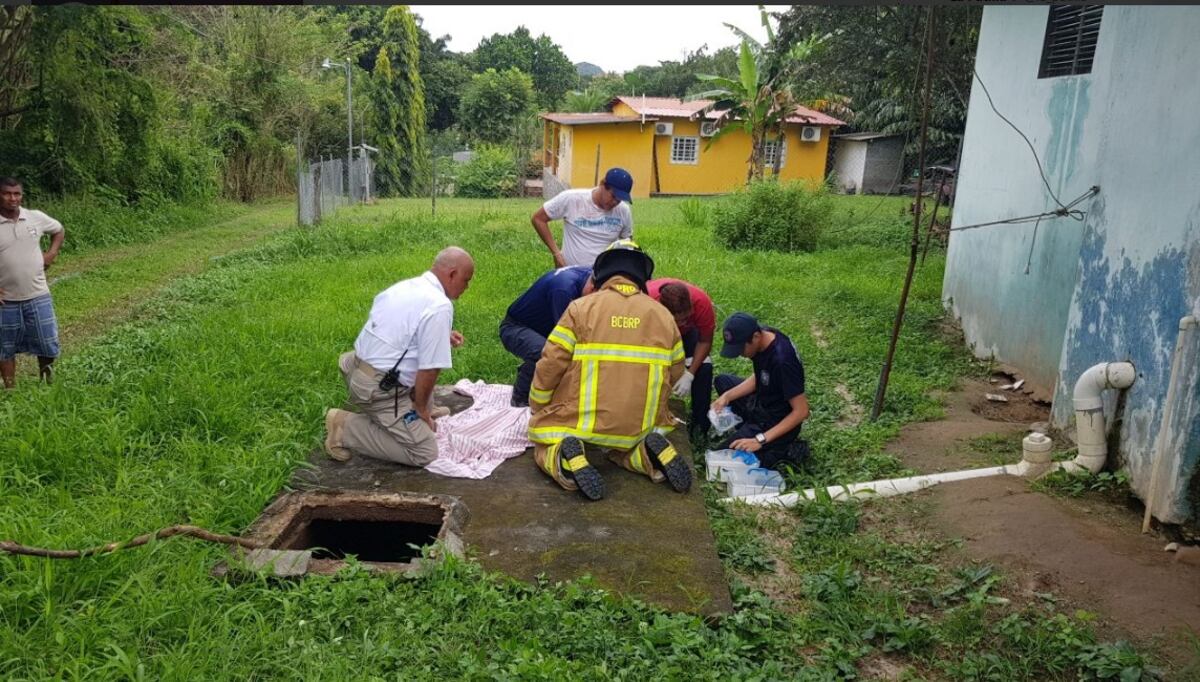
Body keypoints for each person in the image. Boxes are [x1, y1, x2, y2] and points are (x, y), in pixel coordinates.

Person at [527, 240, 691, 501]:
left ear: (602, 272)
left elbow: (550, 364)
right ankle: (648, 455)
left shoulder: (580, 309)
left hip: (582, 422)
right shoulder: (663, 316)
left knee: (543, 441)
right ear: (642, 276)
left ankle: (565, 460)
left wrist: (539, 404)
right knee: (623, 449)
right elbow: (676, 372)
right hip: (640, 424)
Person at [324, 247, 474, 467]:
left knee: (421, 385)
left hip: (355, 366)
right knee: (424, 451)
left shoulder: (406, 286)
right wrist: (421, 410)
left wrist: (442, 335)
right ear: (452, 274)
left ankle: (413, 415)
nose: (466, 287)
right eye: (466, 280)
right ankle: (344, 428)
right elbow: (429, 369)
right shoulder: (440, 305)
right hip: (378, 390)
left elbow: (396, 328)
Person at [711, 312, 811, 470]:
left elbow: (802, 411)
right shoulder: (765, 337)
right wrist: (727, 397)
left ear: (756, 337)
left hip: (775, 419)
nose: (741, 355)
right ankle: (747, 426)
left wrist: (759, 440)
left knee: (721, 456)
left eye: (741, 349)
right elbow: (760, 376)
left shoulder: (783, 361)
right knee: (723, 382)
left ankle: (781, 448)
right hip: (761, 400)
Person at [0, 177, 65, 389]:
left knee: (46, 343)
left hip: (38, 295)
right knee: (4, 347)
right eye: (7, 193)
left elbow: (58, 230)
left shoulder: (35, 217)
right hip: (5, 300)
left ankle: (47, 384)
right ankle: (10, 390)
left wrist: (51, 254)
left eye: (17, 193)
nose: (13, 198)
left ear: (22, 195)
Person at [500, 265, 595, 407]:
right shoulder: (564, 290)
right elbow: (567, 340)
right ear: (593, 288)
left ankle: (532, 373)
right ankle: (520, 399)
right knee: (546, 352)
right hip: (514, 327)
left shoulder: (590, 275)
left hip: (541, 329)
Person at [647, 278, 716, 439]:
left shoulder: (701, 302)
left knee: (704, 368)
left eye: (686, 317)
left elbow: (705, 341)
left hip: (689, 335)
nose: (682, 322)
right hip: (655, 334)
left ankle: (700, 429)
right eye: (677, 320)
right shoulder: (647, 302)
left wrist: (690, 374)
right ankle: (649, 417)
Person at [530, 167, 634, 268]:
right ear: (602, 184)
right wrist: (557, 254)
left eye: (620, 199)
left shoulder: (623, 211)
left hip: (603, 274)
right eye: (613, 196)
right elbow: (538, 219)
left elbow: (627, 241)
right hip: (571, 271)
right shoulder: (572, 199)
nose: (615, 202)